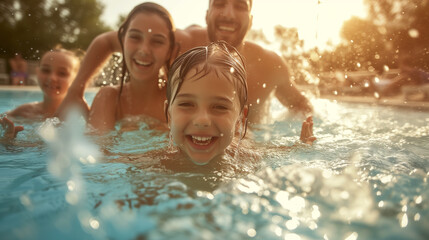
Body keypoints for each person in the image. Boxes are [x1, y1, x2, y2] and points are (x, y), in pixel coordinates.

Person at [56, 0, 313, 125]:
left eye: (239, 6)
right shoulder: (181, 43)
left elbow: (302, 107)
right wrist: (76, 91)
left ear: (251, 18)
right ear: (207, 13)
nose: (228, 13)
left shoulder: (270, 65)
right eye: (220, 3)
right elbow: (108, 41)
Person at [87, 2, 176, 133]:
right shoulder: (108, 98)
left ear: (169, 51)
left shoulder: (177, 100)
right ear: (123, 41)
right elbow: (96, 151)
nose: (144, 50)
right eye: (135, 37)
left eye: (157, 41)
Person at [1, 46, 82, 140]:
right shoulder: (24, 111)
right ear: (37, 72)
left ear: (76, 78)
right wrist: (8, 141)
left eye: (62, 73)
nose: (52, 78)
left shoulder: (81, 116)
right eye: (46, 70)